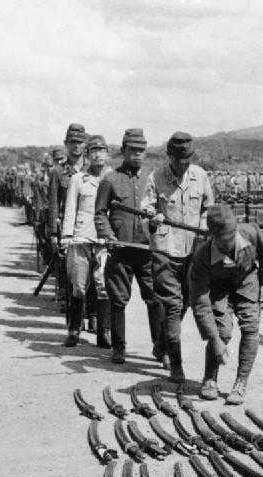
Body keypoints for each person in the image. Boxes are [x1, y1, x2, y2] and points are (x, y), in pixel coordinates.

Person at [143, 132, 214, 385]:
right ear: (169, 156)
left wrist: (204, 229)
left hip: (192, 251)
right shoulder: (156, 177)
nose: (184, 165)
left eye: (188, 160)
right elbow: (146, 210)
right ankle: (176, 364)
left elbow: (208, 208)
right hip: (165, 250)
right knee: (173, 305)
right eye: (179, 160)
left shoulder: (200, 176)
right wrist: (153, 218)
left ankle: (162, 343)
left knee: (185, 303)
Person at [190, 205, 263, 405]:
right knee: (222, 332)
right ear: (212, 236)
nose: (229, 243)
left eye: (231, 237)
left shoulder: (251, 233)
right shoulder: (202, 256)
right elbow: (201, 304)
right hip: (219, 288)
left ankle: (241, 382)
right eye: (223, 240)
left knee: (251, 326)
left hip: (247, 280)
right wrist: (215, 339)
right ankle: (210, 378)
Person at [95, 128, 166, 365]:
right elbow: (100, 214)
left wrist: (158, 219)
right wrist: (108, 235)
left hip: (147, 251)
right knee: (118, 300)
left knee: (155, 298)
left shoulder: (152, 179)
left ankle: (160, 347)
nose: (137, 155)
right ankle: (119, 348)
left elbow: (161, 211)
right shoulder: (110, 180)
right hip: (120, 250)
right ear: (123, 151)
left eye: (141, 151)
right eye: (132, 150)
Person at [61, 135, 113, 348]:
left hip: (104, 240)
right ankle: (74, 330)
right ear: (87, 155)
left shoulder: (113, 179)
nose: (98, 154)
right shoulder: (78, 179)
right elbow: (70, 209)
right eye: (93, 150)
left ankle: (104, 333)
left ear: (107, 153)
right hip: (81, 238)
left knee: (103, 285)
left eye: (101, 150)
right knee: (79, 286)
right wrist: (66, 236)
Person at [49, 123, 87, 309]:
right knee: (68, 267)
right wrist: (53, 233)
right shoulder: (57, 171)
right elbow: (54, 203)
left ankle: (90, 312)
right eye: (72, 142)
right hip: (66, 226)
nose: (76, 146)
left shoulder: (91, 169)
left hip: (87, 225)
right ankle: (70, 306)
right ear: (66, 143)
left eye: (80, 142)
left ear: (85, 144)